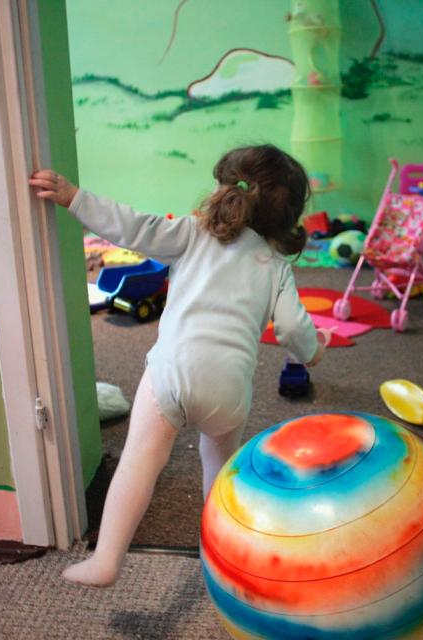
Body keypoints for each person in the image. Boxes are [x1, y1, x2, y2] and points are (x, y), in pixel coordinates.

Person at [29, 144, 325, 587]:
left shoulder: (192, 233)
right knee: (220, 474)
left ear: (225, 191)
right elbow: (293, 329)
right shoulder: (277, 267)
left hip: (170, 374)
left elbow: (133, 227)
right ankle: (221, 558)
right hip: (229, 392)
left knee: (140, 461)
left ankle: (106, 560)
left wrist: (75, 198)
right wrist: (313, 351)